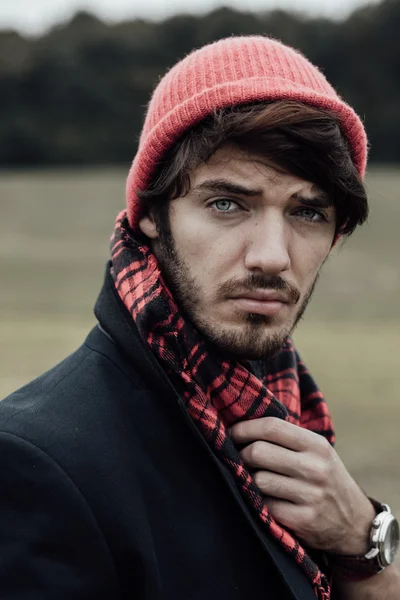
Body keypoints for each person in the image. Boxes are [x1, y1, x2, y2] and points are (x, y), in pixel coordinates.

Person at [0, 35, 399, 600]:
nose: (272, 255)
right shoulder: (34, 464)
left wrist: (364, 543)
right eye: (227, 203)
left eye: (307, 212)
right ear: (151, 217)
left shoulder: (287, 412)